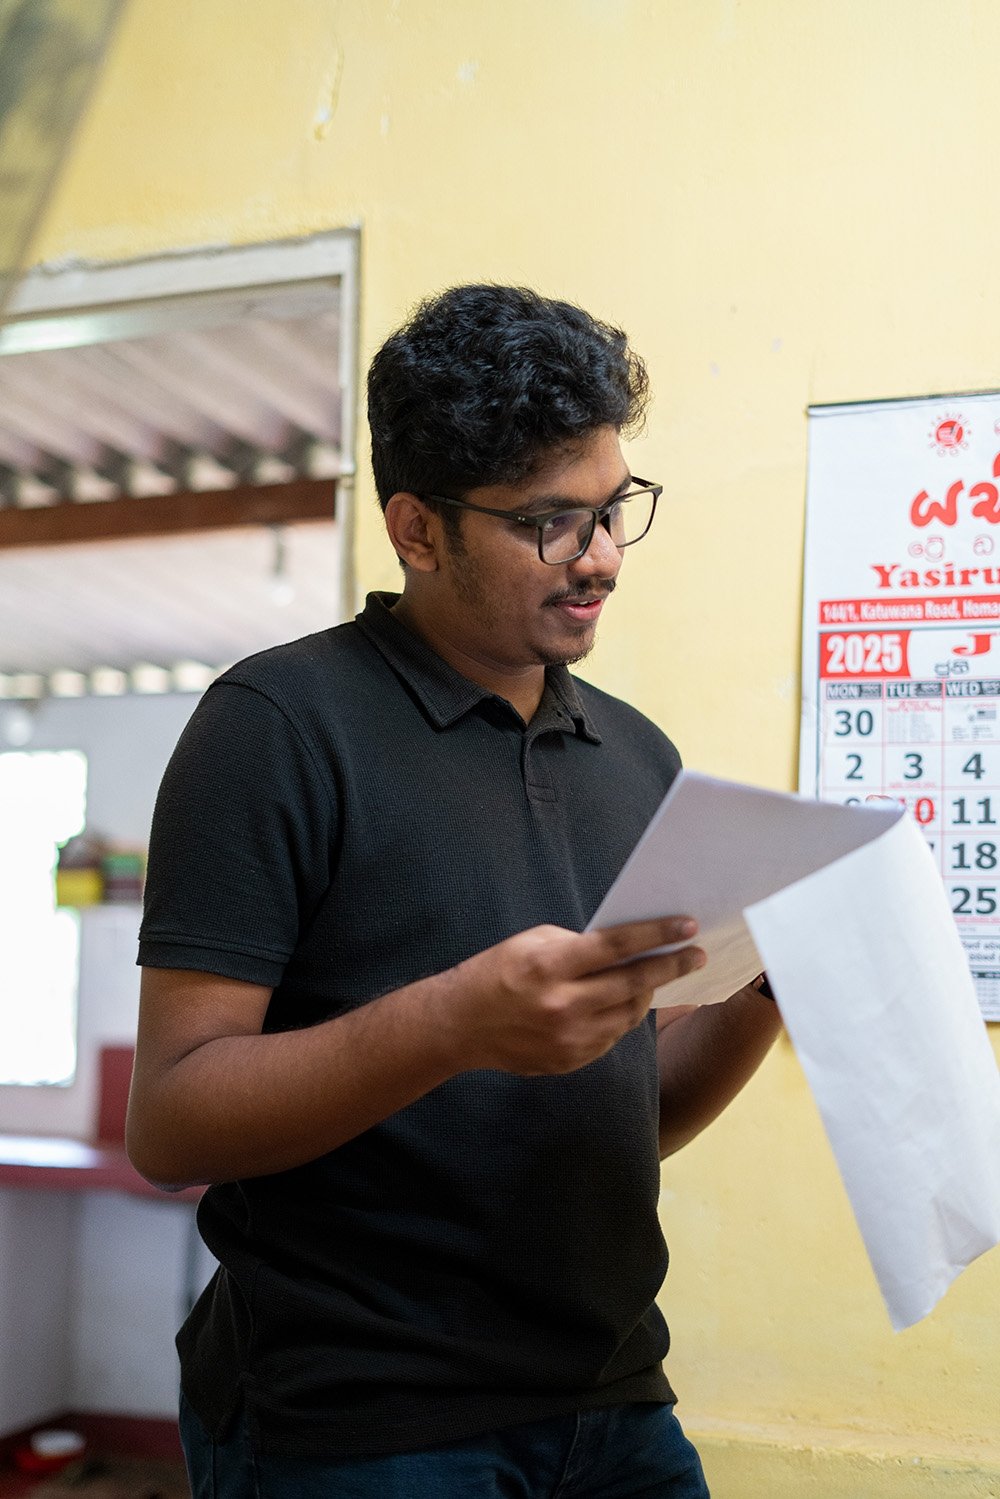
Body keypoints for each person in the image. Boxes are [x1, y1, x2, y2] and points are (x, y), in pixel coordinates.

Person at [127, 283, 781, 1498]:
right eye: (550, 523)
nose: (600, 557)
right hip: (361, 1426)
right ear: (418, 530)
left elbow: (623, 1113)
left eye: (612, 508)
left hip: (615, 1404)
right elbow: (171, 1123)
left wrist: (766, 987)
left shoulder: (638, 757)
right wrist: (452, 1022)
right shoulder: (275, 725)